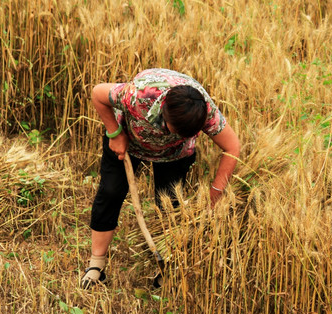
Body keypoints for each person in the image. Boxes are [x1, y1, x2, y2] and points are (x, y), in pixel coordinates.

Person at [81, 68, 240, 289]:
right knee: (110, 193)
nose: (176, 136)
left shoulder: (206, 112)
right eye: (174, 131)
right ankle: (96, 265)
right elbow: (98, 93)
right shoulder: (140, 95)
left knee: (169, 208)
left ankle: (166, 268)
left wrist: (216, 192)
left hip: (175, 156)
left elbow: (232, 147)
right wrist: (114, 133)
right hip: (128, 142)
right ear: (164, 113)